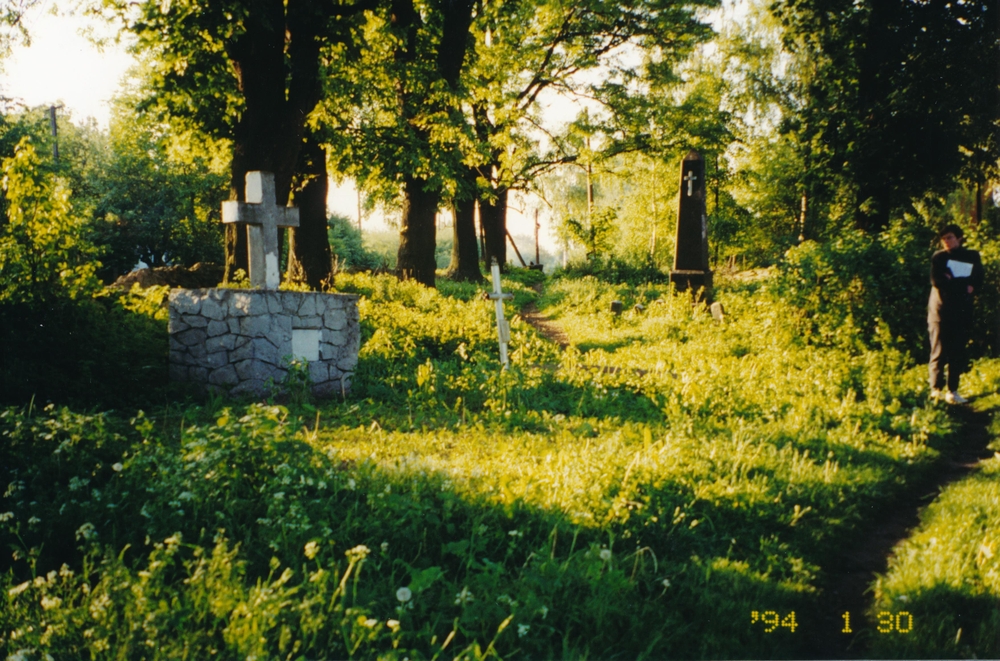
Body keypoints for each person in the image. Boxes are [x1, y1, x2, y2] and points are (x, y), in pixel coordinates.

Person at [928, 223, 983, 404]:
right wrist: (962, 284)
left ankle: (953, 390)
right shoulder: (939, 258)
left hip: (961, 311)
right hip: (940, 311)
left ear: (959, 238)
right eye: (943, 239)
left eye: (950, 237)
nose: (946, 241)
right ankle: (936, 390)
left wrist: (955, 281)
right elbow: (938, 282)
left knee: (957, 351)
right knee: (939, 350)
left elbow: (977, 280)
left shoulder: (971, 256)